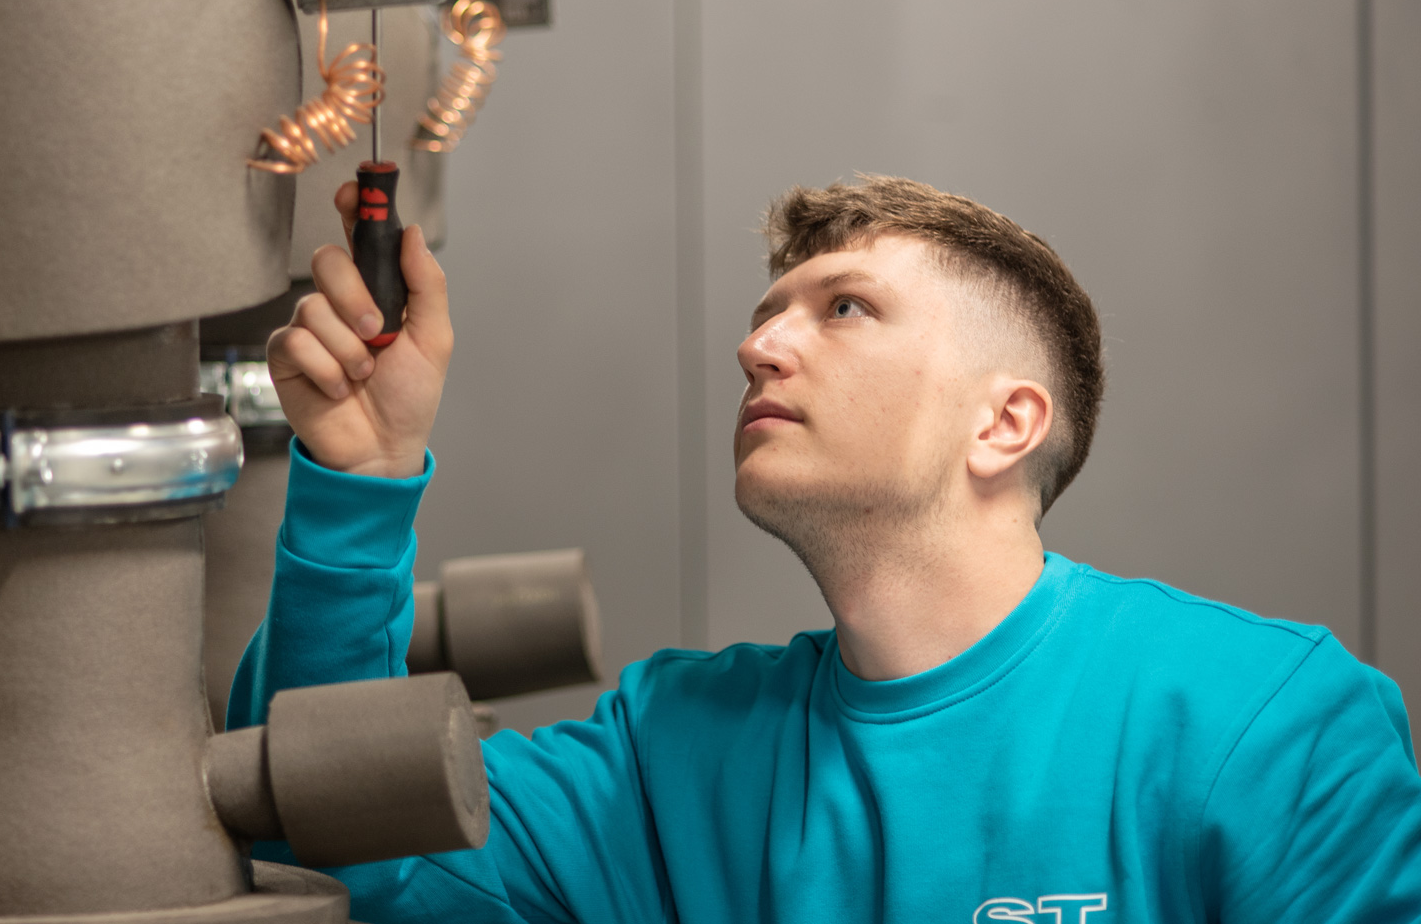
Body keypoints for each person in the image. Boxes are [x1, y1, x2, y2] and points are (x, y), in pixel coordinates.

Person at [229, 174, 1421, 923]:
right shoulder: (672, 750)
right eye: (764, 318)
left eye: (842, 307)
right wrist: (362, 476)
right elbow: (345, 831)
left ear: (1004, 422)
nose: (761, 349)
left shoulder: (1264, 722)